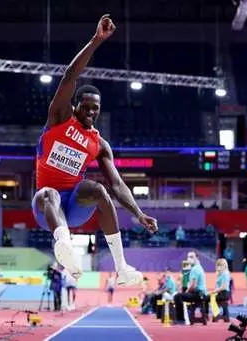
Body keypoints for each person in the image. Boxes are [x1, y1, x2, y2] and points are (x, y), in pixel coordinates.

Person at [32, 14, 158, 284]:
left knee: (99, 189)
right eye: (86, 106)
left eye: (95, 108)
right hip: (47, 210)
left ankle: (122, 267)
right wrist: (96, 40)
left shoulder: (99, 144)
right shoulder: (58, 119)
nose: (90, 112)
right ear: (74, 106)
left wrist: (138, 213)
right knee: (48, 192)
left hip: (76, 205)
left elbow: (118, 184)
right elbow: (69, 77)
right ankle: (63, 243)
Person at [174, 251, 207, 323]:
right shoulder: (198, 267)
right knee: (181, 295)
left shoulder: (195, 269)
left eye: (191, 257)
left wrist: (186, 292)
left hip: (198, 294)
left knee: (177, 296)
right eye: (188, 257)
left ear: (197, 258)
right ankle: (187, 316)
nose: (189, 259)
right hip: (201, 293)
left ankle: (180, 320)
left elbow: (192, 286)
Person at [209, 258, 231, 322]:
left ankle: (216, 314)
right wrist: (214, 292)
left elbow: (223, 287)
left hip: (225, 293)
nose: (219, 267)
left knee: (211, 297)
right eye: (218, 265)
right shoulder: (220, 274)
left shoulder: (225, 273)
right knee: (211, 296)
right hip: (221, 293)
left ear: (225, 265)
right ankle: (217, 313)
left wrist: (213, 292)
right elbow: (217, 286)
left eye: (221, 265)